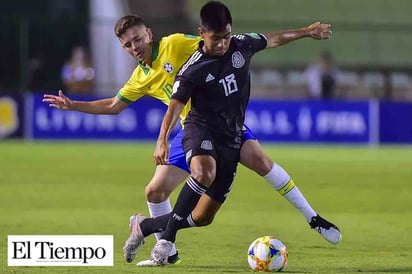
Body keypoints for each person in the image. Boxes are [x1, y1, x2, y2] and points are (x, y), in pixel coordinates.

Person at [43, 13, 340, 267]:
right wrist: (74, 105)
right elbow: (113, 106)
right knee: (156, 191)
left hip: (223, 120)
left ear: (149, 33)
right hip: (193, 130)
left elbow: (213, 44)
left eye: (138, 39)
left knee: (211, 208)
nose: (135, 47)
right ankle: (167, 251)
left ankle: (312, 217)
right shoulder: (140, 77)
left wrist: (305, 32)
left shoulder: (174, 43)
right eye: (128, 44)